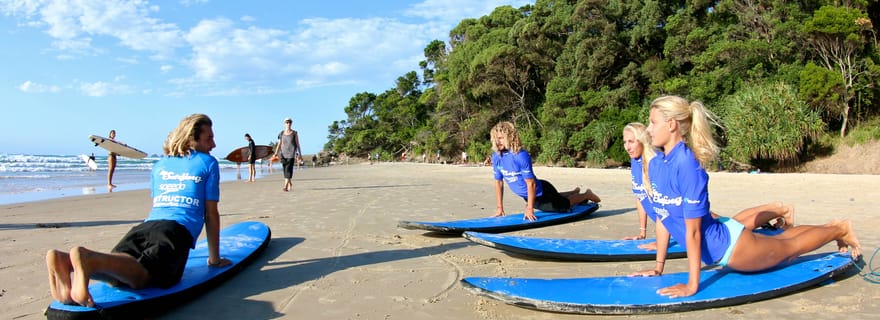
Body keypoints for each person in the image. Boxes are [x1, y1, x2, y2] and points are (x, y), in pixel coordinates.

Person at [630, 95, 861, 298]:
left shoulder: (688, 166)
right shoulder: (659, 164)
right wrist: (658, 268)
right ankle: (832, 226)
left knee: (790, 248)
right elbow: (663, 218)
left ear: (671, 125)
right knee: (781, 241)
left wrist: (692, 285)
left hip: (731, 249)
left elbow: (692, 231)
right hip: (723, 235)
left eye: (653, 123)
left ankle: (840, 229)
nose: (648, 130)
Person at [45, 114, 231, 307]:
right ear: (191, 139)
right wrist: (214, 260)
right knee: (145, 277)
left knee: (120, 275)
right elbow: (210, 214)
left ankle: (65, 260)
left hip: (144, 228)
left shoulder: (160, 165)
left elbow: (158, 204)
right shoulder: (208, 163)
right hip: (176, 232)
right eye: (209, 138)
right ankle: (86, 258)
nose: (214, 144)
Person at [621, 122, 794, 249]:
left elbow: (663, 204)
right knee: (732, 224)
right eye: (625, 142)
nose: (627, 147)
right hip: (678, 222)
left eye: (631, 141)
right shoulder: (636, 162)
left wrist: (661, 241)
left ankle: (779, 209)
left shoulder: (655, 163)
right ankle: (776, 208)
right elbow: (641, 198)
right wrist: (642, 231)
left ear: (642, 141)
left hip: (688, 216)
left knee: (733, 228)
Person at [489, 121, 601, 221]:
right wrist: (500, 208)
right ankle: (573, 192)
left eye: (501, 138)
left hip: (540, 192)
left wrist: (530, 208)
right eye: (495, 138)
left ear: (510, 137)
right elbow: (498, 182)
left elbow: (531, 183)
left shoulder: (520, 155)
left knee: (563, 206)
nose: (498, 141)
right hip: (530, 194)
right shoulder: (497, 157)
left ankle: (586, 195)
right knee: (554, 199)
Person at [273, 117, 301, 192]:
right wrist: (275, 153)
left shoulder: (294, 133)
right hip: (283, 154)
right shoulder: (281, 133)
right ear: (284, 124)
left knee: (288, 169)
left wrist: (300, 154)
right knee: (285, 170)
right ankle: (290, 183)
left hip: (291, 154)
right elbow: (279, 144)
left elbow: (298, 144)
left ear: (291, 123)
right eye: (287, 122)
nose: (288, 124)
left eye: (289, 122)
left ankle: (285, 186)